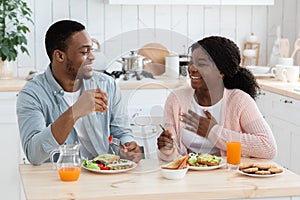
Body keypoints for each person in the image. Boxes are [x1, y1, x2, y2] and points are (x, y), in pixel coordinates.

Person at [16, 20, 143, 165]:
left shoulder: (106, 84)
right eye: (84, 52)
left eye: (91, 50)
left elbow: (121, 133)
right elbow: (34, 154)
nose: (92, 57)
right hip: (60, 179)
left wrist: (128, 147)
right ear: (59, 56)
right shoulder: (32, 94)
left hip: (103, 175)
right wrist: (75, 112)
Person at [157, 36, 277, 162]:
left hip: (230, 177)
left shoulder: (239, 101)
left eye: (201, 64)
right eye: (191, 62)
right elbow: (171, 158)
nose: (192, 68)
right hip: (189, 176)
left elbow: (268, 147)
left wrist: (213, 131)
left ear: (221, 72)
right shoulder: (176, 100)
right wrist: (167, 149)